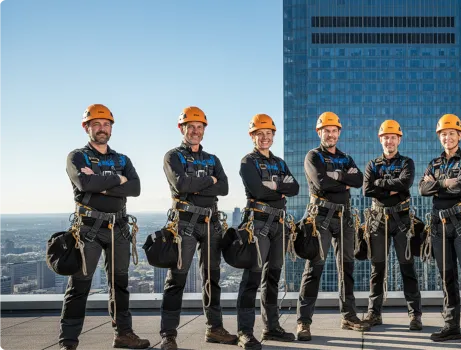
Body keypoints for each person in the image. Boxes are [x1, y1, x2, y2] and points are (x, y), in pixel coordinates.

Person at [60, 104, 149, 350]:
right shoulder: (77, 157)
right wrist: (117, 179)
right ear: (86, 127)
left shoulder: (122, 158)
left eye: (106, 124)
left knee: (119, 283)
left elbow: (135, 188)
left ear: (111, 128)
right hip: (89, 227)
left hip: (118, 227)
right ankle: (68, 341)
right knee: (80, 284)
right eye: (96, 124)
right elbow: (84, 182)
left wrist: (100, 182)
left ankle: (123, 334)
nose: (102, 129)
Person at [159, 106, 234, 350]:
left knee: (212, 278)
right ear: (181, 128)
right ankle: (168, 334)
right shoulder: (173, 157)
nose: (195, 131)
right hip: (185, 223)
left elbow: (223, 188)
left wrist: (197, 185)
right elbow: (181, 185)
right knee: (177, 278)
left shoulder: (213, 159)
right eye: (190, 126)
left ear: (204, 130)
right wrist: (209, 180)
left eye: (199, 127)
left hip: (211, 222)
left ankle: (214, 328)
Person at [297, 111, 367, 341]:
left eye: (334, 130)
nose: (330, 134)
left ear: (339, 133)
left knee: (346, 268)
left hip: (345, 217)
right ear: (319, 132)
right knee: (314, 268)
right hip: (321, 218)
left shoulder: (346, 157)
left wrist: (335, 177)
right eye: (326, 130)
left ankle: (349, 316)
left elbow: (358, 181)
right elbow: (320, 182)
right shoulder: (313, 156)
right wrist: (343, 181)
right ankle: (303, 322)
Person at [419, 114, 461, 349]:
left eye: (451, 133)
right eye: (443, 134)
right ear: (439, 137)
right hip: (438, 226)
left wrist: (437, 184)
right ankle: (452, 327)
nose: (447, 137)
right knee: (447, 278)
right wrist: (446, 183)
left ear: (460, 135)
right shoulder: (435, 163)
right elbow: (422, 188)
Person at [235, 114, 299, 349]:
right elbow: (257, 191)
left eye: (268, 134)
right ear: (252, 136)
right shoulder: (247, 162)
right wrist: (279, 190)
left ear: (273, 136)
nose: (264, 138)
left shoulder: (279, 162)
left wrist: (275, 186)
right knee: (252, 277)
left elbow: (295, 187)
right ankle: (244, 331)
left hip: (278, 223)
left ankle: (271, 327)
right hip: (258, 222)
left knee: (272, 276)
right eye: (259, 134)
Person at [362, 120, 423, 330]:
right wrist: (390, 188)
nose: (389, 141)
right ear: (380, 139)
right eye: (385, 137)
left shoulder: (407, 162)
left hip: (402, 221)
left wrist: (379, 184)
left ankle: (415, 315)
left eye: (393, 137)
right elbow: (367, 190)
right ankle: (374, 313)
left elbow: (405, 184)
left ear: (399, 139)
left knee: (408, 268)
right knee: (377, 269)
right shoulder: (372, 164)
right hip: (378, 221)